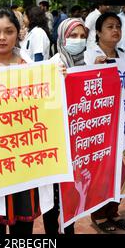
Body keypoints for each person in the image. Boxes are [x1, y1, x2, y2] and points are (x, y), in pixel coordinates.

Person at [0, 8, 54, 235]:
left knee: (24, 222)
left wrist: (57, 82)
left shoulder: (32, 68)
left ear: (18, 34)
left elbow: (46, 107)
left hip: (27, 155)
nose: (2, 37)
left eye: (9, 31)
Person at [84, 12, 125, 233]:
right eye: (109, 27)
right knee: (102, 169)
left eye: (118, 26)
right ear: (98, 32)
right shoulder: (88, 56)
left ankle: (114, 211)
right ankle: (99, 214)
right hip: (101, 122)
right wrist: (93, 69)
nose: (115, 30)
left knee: (123, 166)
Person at [44, 18, 88, 235]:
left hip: (77, 140)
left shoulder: (85, 62)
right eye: (72, 36)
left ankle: (69, 229)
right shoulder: (53, 63)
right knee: (54, 197)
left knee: (72, 192)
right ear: (62, 37)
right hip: (57, 141)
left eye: (82, 36)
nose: (78, 41)